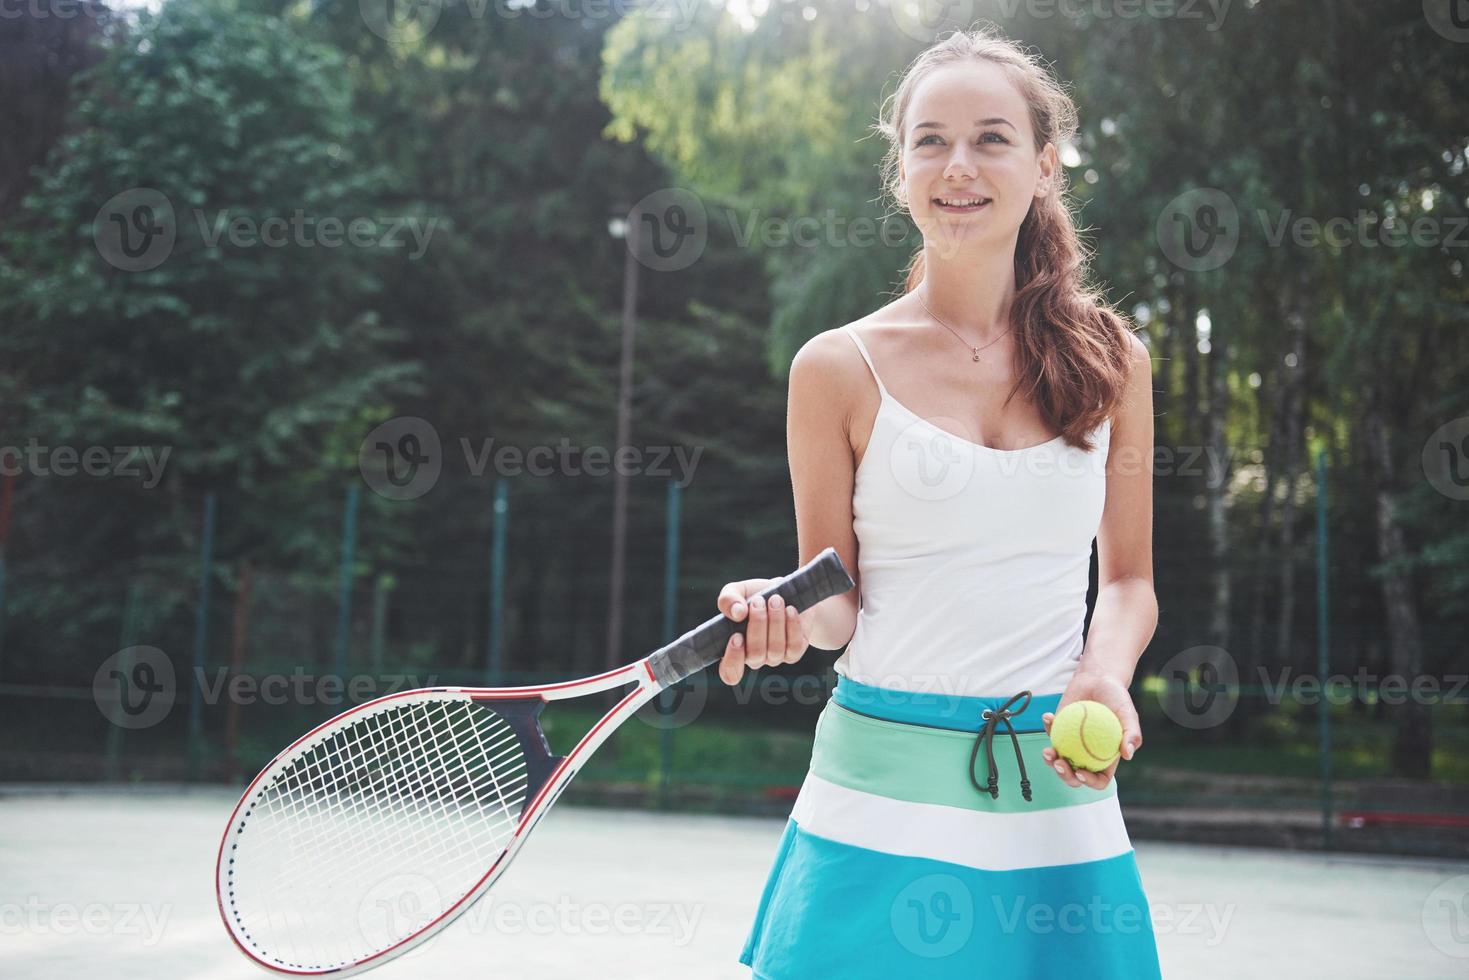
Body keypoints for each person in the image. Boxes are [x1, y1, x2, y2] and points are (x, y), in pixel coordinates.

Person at [715, 25, 1164, 979]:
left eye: (991, 138)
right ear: (900, 171)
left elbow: (1126, 582)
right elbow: (835, 601)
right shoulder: (835, 368)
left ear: (1043, 165)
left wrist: (1105, 674)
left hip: (1054, 795)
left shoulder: (1114, 360)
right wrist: (781, 613)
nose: (958, 165)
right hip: (875, 791)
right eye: (930, 141)